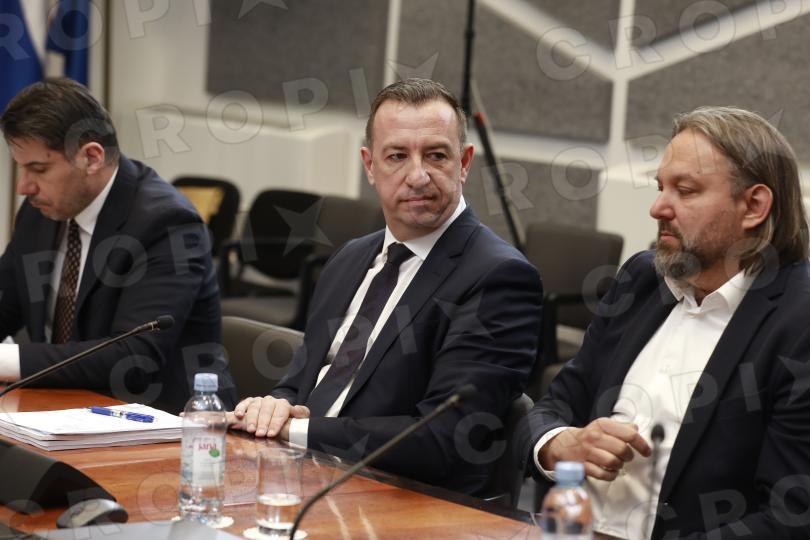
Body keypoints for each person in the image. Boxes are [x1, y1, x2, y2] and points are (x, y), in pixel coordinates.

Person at [229, 78, 542, 495]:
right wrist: (274, 408)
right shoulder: (350, 258)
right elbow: (301, 382)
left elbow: (443, 439)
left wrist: (296, 432)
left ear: (464, 162)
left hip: (401, 498)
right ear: (370, 166)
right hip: (297, 478)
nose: (418, 176)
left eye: (436, 156)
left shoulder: (500, 277)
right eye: (397, 156)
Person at [517, 106, 810, 539]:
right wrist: (559, 444)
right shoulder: (641, 279)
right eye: (660, 187)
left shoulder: (797, 321)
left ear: (754, 206)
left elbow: (791, 515)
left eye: (685, 191)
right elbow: (555, 404)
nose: (657, 208)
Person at [0, 78, 235, 413]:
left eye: (38, 169)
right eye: (21, 168)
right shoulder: (40, 211)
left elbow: (134, 356)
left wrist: (5, 359)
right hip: (58, 408)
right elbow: (6, 302)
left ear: (91, 157)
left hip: (164, 420)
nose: (24, 187)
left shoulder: (167, 224)